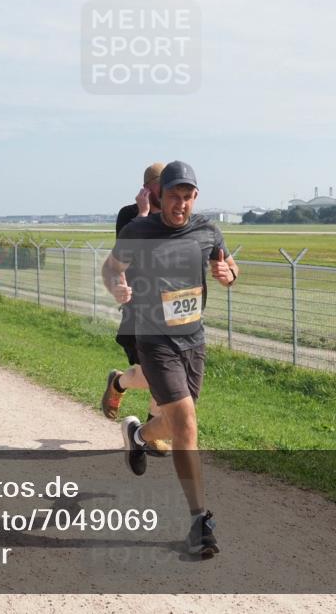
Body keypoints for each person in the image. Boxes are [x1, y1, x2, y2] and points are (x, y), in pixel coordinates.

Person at [102, 160, 239, 559]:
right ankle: (200, 521)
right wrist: (117, 286)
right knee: (187, 424)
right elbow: (111, 268)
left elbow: (229, 266)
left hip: (193, 340)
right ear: (160, 196)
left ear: (195, 197)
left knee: (176, 422)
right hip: (155, 339)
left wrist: (228, 274)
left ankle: (139, 436)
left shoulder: (208, 231)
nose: (180, 203)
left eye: (187, 196)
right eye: (173, 195)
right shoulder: (138, 230)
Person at [100, 162, 172, 457]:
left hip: (168, 311)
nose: (168, 191)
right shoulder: (129, 215)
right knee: (151, 375)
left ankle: (150, 427)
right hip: (137, 308)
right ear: (148, 188)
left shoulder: (174, 217)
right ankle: (118, 382)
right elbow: (124, 258)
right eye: (162, 185)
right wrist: (143, 216)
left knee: (162, 376)